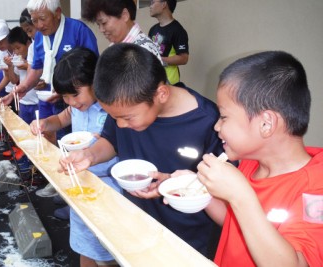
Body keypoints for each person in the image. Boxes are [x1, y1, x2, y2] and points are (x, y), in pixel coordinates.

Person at [59, 43, 224, 256]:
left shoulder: (208, 123)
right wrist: (89, 155)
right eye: (115, 117)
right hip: (134, 223)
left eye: (126, 118)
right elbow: (111, 140)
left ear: (161, 94)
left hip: (186, 240)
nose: (120, 125)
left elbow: (224, 193)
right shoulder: (124, 106)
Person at [196, 51, 323, 266]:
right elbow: (235, 223)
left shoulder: (316, 190)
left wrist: (240, 195)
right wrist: (197, 193)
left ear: (266, 124)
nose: (217, 126)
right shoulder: (252, 162)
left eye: (224, 117)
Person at [31, 47, 121, 267]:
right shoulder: (77, 108)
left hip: (109, 188)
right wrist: (44, 124)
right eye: (65, 96)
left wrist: (107, 138)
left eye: (75, 94)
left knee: (107, 250)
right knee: (85, 245)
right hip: (80, 184)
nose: (71, 101)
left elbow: (121, 143)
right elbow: (60, 119)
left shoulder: (111, 109)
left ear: (95, 82)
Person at [15, 0, 99, 145]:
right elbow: (37, 67)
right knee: (54, 140)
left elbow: (92, 68)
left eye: (43, 18)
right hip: (52, 99)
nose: (39, 25)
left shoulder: (78, 30)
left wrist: (66, 93)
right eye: (35, 21)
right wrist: (25, 86)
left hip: (79, 98)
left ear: (57, 13)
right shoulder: (40, 36)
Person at [81, 0, 161, 62]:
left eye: (104, 23)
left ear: (124, 15)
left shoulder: (144, 50)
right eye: (98, 25)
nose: (101, 30)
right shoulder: (115, 47)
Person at [2, 26, 38, 125]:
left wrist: (27, 65)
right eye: (14, 49)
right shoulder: (17, 59)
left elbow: (39, 73)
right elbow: (14, 81)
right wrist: (10, 66)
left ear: (27, 44)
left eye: (18, 48)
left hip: (37, 103)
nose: (16, 52)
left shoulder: (36, 56)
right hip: (23, 102)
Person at [149, 0, 189, 86]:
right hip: (154, 80)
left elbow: (184, 58)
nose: (150, 6)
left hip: (170, 82)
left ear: (164, 4)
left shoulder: (178, 30)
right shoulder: (153, 29)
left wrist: (160, 60)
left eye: (152, 2)